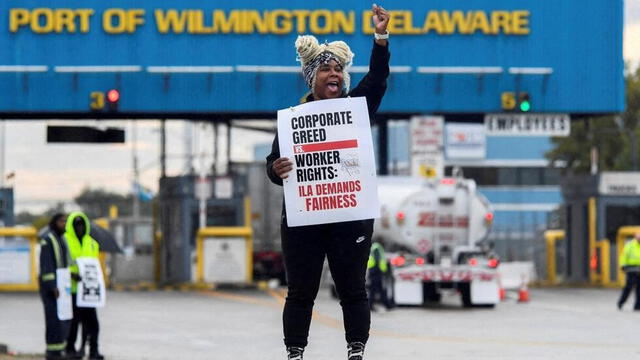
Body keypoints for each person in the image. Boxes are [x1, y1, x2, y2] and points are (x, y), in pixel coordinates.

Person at [265, 5, 390, 359]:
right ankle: (295, 351)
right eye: (326, 69)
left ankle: (356, 349)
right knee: (300, 291)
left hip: (349, 215)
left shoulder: (356, 108)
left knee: (353, 289)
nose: (334, 73)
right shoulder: (293, 120)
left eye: (339, 69)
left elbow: (378, 80)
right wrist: (277, 170)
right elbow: (272, 167)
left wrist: (380, 38)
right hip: (305, 217)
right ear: (311, 78)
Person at [64, 212, 105, 360]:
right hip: (72, 289)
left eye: (81, 225)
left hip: (88, 291)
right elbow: (61, 265)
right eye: (76, 225)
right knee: (73, 324)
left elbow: (95, 266)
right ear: (71, 226)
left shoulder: (92, 243)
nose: (79, 228)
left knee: (92, 324)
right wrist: (71, 275)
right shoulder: (65, 241)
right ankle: (70, 350)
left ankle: (93, 350)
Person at [39, 213, 71, 360]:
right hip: (51, 288)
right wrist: (52, 286)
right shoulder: (48, 240)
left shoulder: (61, 239)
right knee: (52, 320)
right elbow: (47, 266)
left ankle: (59, 350)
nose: (64, 224)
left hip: (61, 286)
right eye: (61, 221)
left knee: (61, 320)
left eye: (65, 221)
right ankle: (52, 352)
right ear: (54, 223)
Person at [617, 233, 640, 310]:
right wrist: (623, 265)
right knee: (628, 287)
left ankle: (637, 306)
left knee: (639, 289)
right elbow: (624, 256)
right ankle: (621, 303)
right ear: (636, 237)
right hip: (631, 269)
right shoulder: (630, 245)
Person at [367, 242, 392, 312]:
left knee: (375, 289)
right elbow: (377, 259)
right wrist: (379, 270)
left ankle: (385, 304)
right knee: (376, 289)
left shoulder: (375, 247)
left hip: (374, 271)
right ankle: (385, 305)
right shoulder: (377, 248)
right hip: (376, 271)